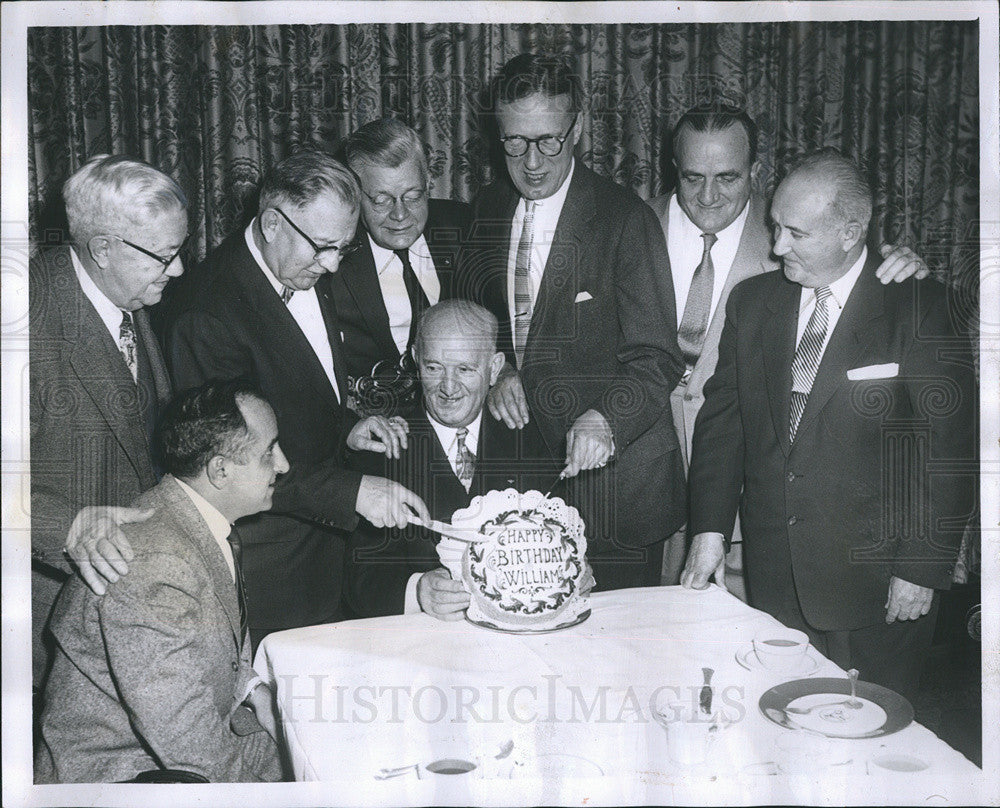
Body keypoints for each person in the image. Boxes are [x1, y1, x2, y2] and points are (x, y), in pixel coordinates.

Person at [681, 150, 976, 700]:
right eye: (775, 227)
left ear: (851, 232)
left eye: (796, 233)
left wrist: (920, 567)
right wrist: (708, 532)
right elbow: (723, 431)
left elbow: (949, 450)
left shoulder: (919, 307)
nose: (776, 247)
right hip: (775, 582)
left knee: (872, 746)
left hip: (878, 589)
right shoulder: (753, 303)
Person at [648, 104, 930, 592]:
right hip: (646, 485)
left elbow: (856, 267)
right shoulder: (633, 223)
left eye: (728, 177)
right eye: (693, 177)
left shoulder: (796, 230)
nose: (708, 196)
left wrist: (907, 268)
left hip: (764, 512)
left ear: (756, 172)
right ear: (674, 168)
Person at [162, 150, 429, 649]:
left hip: (324, 551)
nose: (331, 266)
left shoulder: (297, 263)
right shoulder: (207, 314)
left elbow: (296, 383)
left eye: (343, 249)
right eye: (323, 247)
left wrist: (344, 422)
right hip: (269, 559)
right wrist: (352, 494)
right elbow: (226, 464)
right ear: (270, 223)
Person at [457, 53, 685, 590]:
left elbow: (657, 358)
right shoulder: (488, 209)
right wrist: (501, 372)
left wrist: (605, 419)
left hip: (618, 491)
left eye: (548, 141)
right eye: (514, 142)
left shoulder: (625, 219)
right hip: (527, 485)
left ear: (577, 128)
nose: (531, 162)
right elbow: (476, 318)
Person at [36, 381, 287, 783]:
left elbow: (205, 652)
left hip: (191, 737)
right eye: (269, 453)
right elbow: (186, 736)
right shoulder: (157, 561)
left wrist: (254, 689)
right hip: (123, 772)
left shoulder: (187, 516)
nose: (284, 465)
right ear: (220, 470)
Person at [29, 154, 186, 688]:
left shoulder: (129, 290)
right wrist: (67, 525)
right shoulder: (21, 318)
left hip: (124, 613)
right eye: (165, 256)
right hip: (46, 625)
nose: (180, 269)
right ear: (102, 249)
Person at [345, 299, 562, 619]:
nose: (448, 388)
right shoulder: (382, 450)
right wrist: (417, 591)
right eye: (433, 368)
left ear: (494, 368)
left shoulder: (532, 441)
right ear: (416, 360)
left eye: (464, 369)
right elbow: (359, 582)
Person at [334, 118, 471, 411]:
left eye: (412, 196)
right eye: (381, 200)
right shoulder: (332, 258)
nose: (400, 214)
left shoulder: (466, 229)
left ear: (427, 184)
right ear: (356, 196)